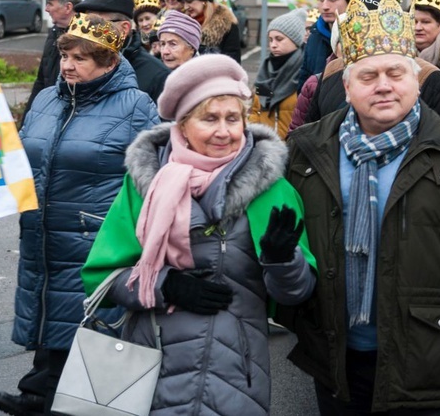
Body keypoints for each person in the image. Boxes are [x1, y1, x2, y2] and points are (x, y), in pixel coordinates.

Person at [278, 0, 440, 414]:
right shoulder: (307, 150)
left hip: (428, 363)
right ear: (345, 86)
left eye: (395, 72)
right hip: (336, 363)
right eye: (368, 75)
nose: (383, 85)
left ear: (417, 79)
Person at [81, 54, 316, 415]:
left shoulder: (272, 190)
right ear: (183, 124)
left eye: (233, 118)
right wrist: (164, 285)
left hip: (236, 374)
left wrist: (282, 260)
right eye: (209, 118)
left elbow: (295, 294)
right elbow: (102, 280)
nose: (224, 131)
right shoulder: (144, 184)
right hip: (148, 365)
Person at [0, 13, 159, 416]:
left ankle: (66, 398)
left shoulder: (135, 105)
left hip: (95, 235)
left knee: (87, 319)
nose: (67, 64)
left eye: (81, 58)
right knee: (50, 309)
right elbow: (21, 158)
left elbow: (154, 176)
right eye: (65, 55)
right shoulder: (49, 98)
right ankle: (41, 390)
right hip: (43, 230)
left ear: (109, 62)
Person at [305, 0, 440, 125]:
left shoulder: (429, 76)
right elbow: (314, 133)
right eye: (361, 19)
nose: (383, 86)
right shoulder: (332, 71)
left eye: (396, 74)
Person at [75, 0, 170, 103]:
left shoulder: (158, 75)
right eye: (86, 24)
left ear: (124, 28)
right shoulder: (77, 64)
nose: (88, 32)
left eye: (96, 25)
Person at [22, 0, 82, 121]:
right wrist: (27, 119)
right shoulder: (54, 33)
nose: (46, 9)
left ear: (68, 7)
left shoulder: (85, 38)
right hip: (48, 113)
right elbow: (41, 81)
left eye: (50, 4)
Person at [295, 0, 359, 89]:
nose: (325, 6)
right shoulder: (314, 35)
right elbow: (304, 80)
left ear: (350, 2)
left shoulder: (360, 36)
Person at [249, 8, 306, 138]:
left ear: (295, 40)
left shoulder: (305, 71)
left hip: (293, 149)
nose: (273, 45)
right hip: (265, 147)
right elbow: (256, 110)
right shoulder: (266, 70)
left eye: (279, 39)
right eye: (271, 39)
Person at [175, 0, 242, 63]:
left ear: (204, 0)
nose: (185, 7)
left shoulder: (227, 24)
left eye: (189, 1)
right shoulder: (181, 22)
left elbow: (233, 62)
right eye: (183, 2)